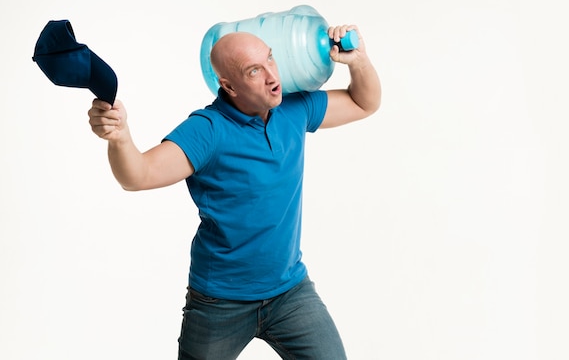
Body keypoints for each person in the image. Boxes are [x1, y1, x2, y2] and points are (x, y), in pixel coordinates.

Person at [88, 24, 381, 359]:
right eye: (254, 71)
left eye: (270, 59)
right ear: (228, 85)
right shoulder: (209, 130)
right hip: (220, 302)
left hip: (290, 292)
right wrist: (120, 138)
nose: (273, 76)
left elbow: (363, 102)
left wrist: (358, 61)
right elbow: (138, 176)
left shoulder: (293, 108)